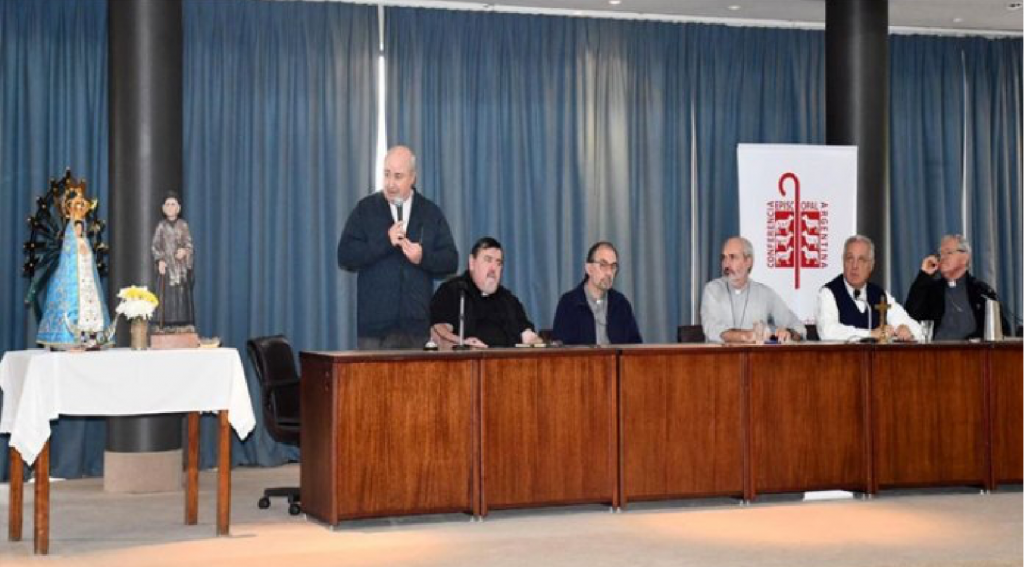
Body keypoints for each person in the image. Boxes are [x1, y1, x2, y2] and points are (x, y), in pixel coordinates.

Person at [338, 146, 458, 349]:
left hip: (416, 329)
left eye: (398, 176)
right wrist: (385, 241)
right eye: (386, 174)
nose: (390, 183)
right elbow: (345, 255)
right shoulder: (366, 209)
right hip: (374, 330)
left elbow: (450, 260)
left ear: (412, 178)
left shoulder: (430, 213)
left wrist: (423, 257)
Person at [429, 237, 541, 349]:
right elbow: (439, 333)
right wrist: (463, 343)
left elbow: (528, 335)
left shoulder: (509, 300)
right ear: (472, 263)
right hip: (469, 358)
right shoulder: (452, 291)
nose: (493, 269)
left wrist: (534, 341)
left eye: (498, 263)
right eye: (488, 260)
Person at [36, 189, 111, 348]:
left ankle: (90, 336)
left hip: (84, 271)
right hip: (75, 272)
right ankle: (73, 337)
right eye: (77, 227)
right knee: (74, 300)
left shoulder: (82, 236)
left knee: (88, 299)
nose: (79, 230)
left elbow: (84, 249)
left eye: (81, 227)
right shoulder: (73, 236)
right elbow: (73, 248)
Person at [816, 235, 922, 342]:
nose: (855, 266)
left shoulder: (879, 294)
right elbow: (827, 332)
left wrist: (904, 328)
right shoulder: (829, 293)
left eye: (861, 260)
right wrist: (869, 334)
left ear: (871, 265)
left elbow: (918, 330)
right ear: (843, 262)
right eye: (850, 259)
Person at [700, 236, 805, 344]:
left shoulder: (764, 293)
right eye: (724, 258)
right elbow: (713, 330)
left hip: (756, 355)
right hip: (720, 354)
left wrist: (789, 333)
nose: (726, 264)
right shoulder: (712, 290)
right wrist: (748, 336)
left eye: (732, 257)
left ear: (748, 261)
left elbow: (799, 329)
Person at [905, 234, 1010, 340]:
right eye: (940, 254)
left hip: (972, 349)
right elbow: (909, 317)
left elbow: (1002, 330)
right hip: (936, 349)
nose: (942, 258)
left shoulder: (981, 291)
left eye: (948, 252)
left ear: (964, 258)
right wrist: (924, 275)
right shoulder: (931, 290)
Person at [551, 242, 642, 345]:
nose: (609, 273)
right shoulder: (569, 303)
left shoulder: (621, 304)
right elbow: (561, 347)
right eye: (603, 265)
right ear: (589, 269)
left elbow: (635, 346)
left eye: (613, 266)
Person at [151, 192, 195, 331]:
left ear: (178, 208)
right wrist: (160, 260)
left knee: (181, 297)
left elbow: (189, 245)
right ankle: (165, 324)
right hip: (167, 269)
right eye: (168, 204)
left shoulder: (183, 225)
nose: (170, 207)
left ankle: (182, 323)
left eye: (173, 204)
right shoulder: (161, 226)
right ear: (163, 208)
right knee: (166, 298)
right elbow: (155, 246)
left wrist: (185, 251)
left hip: (180, 269)